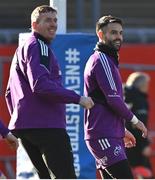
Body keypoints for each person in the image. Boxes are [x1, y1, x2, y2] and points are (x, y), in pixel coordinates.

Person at [5, 5, 94, 179]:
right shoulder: (39, 45)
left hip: (26, 128)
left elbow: (9, 92)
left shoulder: (21, 48)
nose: (53, 24)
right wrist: (78, 98)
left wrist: (19, 121)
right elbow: (41, 85)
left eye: (55, 20)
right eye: (47, 20)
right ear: (34, 24)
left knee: (45, 177)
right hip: (47, 125)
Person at [83, 15, 148, 179]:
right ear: (100, 34)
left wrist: (121, 129)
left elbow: (104, 100)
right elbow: (113, 99)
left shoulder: (107, 60)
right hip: (103, 135)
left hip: (109, 133)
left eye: (120, 33)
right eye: (113, 33)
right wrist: (135, 121)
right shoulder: (102, 59)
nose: (118, 37)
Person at [124, 72, 154, 178]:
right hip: (136, 144)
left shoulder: (123, 96)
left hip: (120, 140)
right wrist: (145, 145)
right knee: (147, 175)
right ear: (143, 85)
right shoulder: (139, 99)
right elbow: (139, 122)